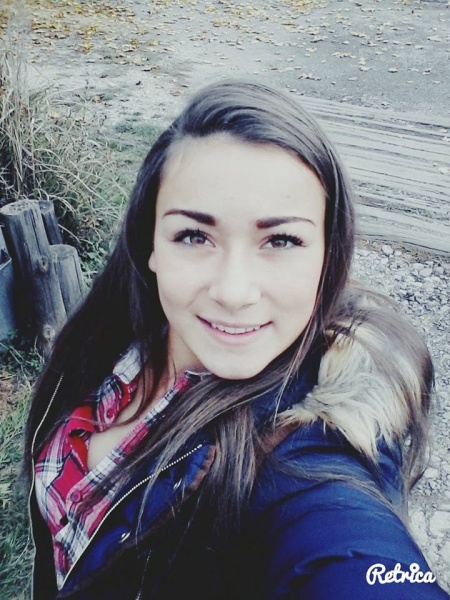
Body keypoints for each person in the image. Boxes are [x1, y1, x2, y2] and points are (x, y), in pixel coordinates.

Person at [25, 79, 449, 599]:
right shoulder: (109, 338)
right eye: (194, 236)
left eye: (281, 240)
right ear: (151, 242)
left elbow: (354, 561)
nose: (232, 291)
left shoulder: (309, 464)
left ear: (328, 256)